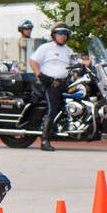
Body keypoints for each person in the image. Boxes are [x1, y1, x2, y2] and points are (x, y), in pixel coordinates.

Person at [29, 22, 79, 151]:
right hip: (51, 84)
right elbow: (32, 61)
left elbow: (78, 62)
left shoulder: (68, 50)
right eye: (60, 33)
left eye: (65, 34)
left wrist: (92, 63)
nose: (63, 36)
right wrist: (40, 75)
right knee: (53, 109)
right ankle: (45, 140)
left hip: (65, 83)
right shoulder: (46, 48)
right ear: (54, 34)